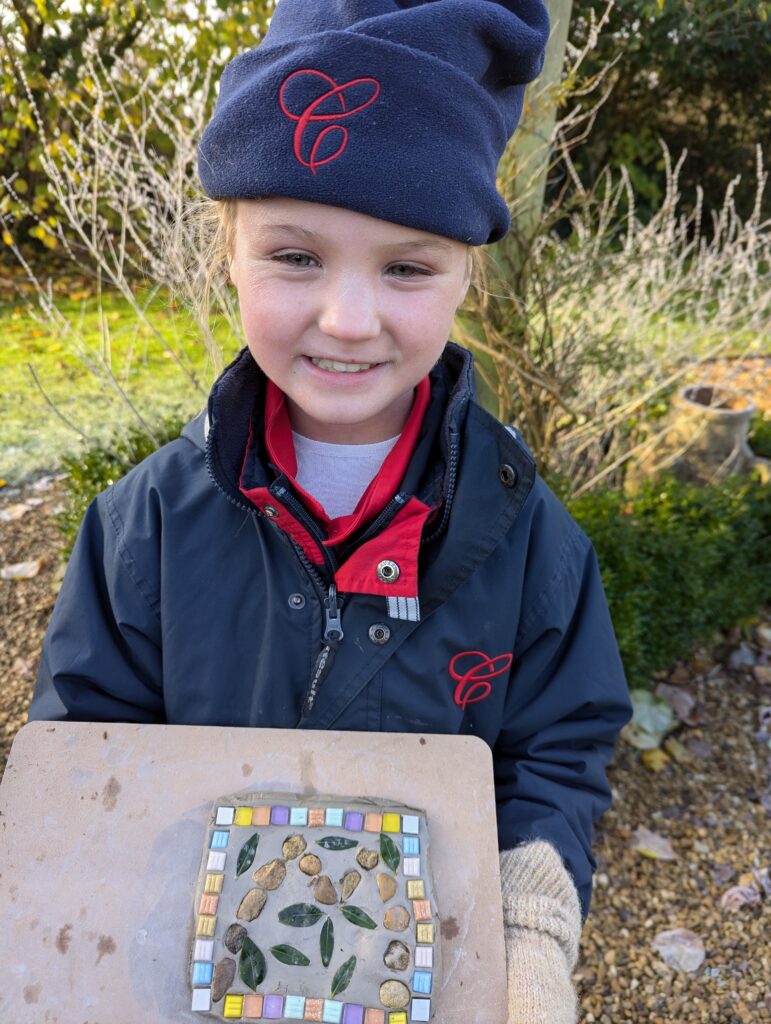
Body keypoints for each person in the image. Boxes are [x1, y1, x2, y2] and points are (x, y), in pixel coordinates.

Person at [28, 2, 633, 1021]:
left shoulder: (534, 542)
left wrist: (528, 926)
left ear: (465, 273)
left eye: (406, 267)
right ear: (229, 251)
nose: (348, 319)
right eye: (296, 256)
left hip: (426, 982)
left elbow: (559, 750)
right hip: (193, 979)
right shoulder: (144, 527)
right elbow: (90, 754)